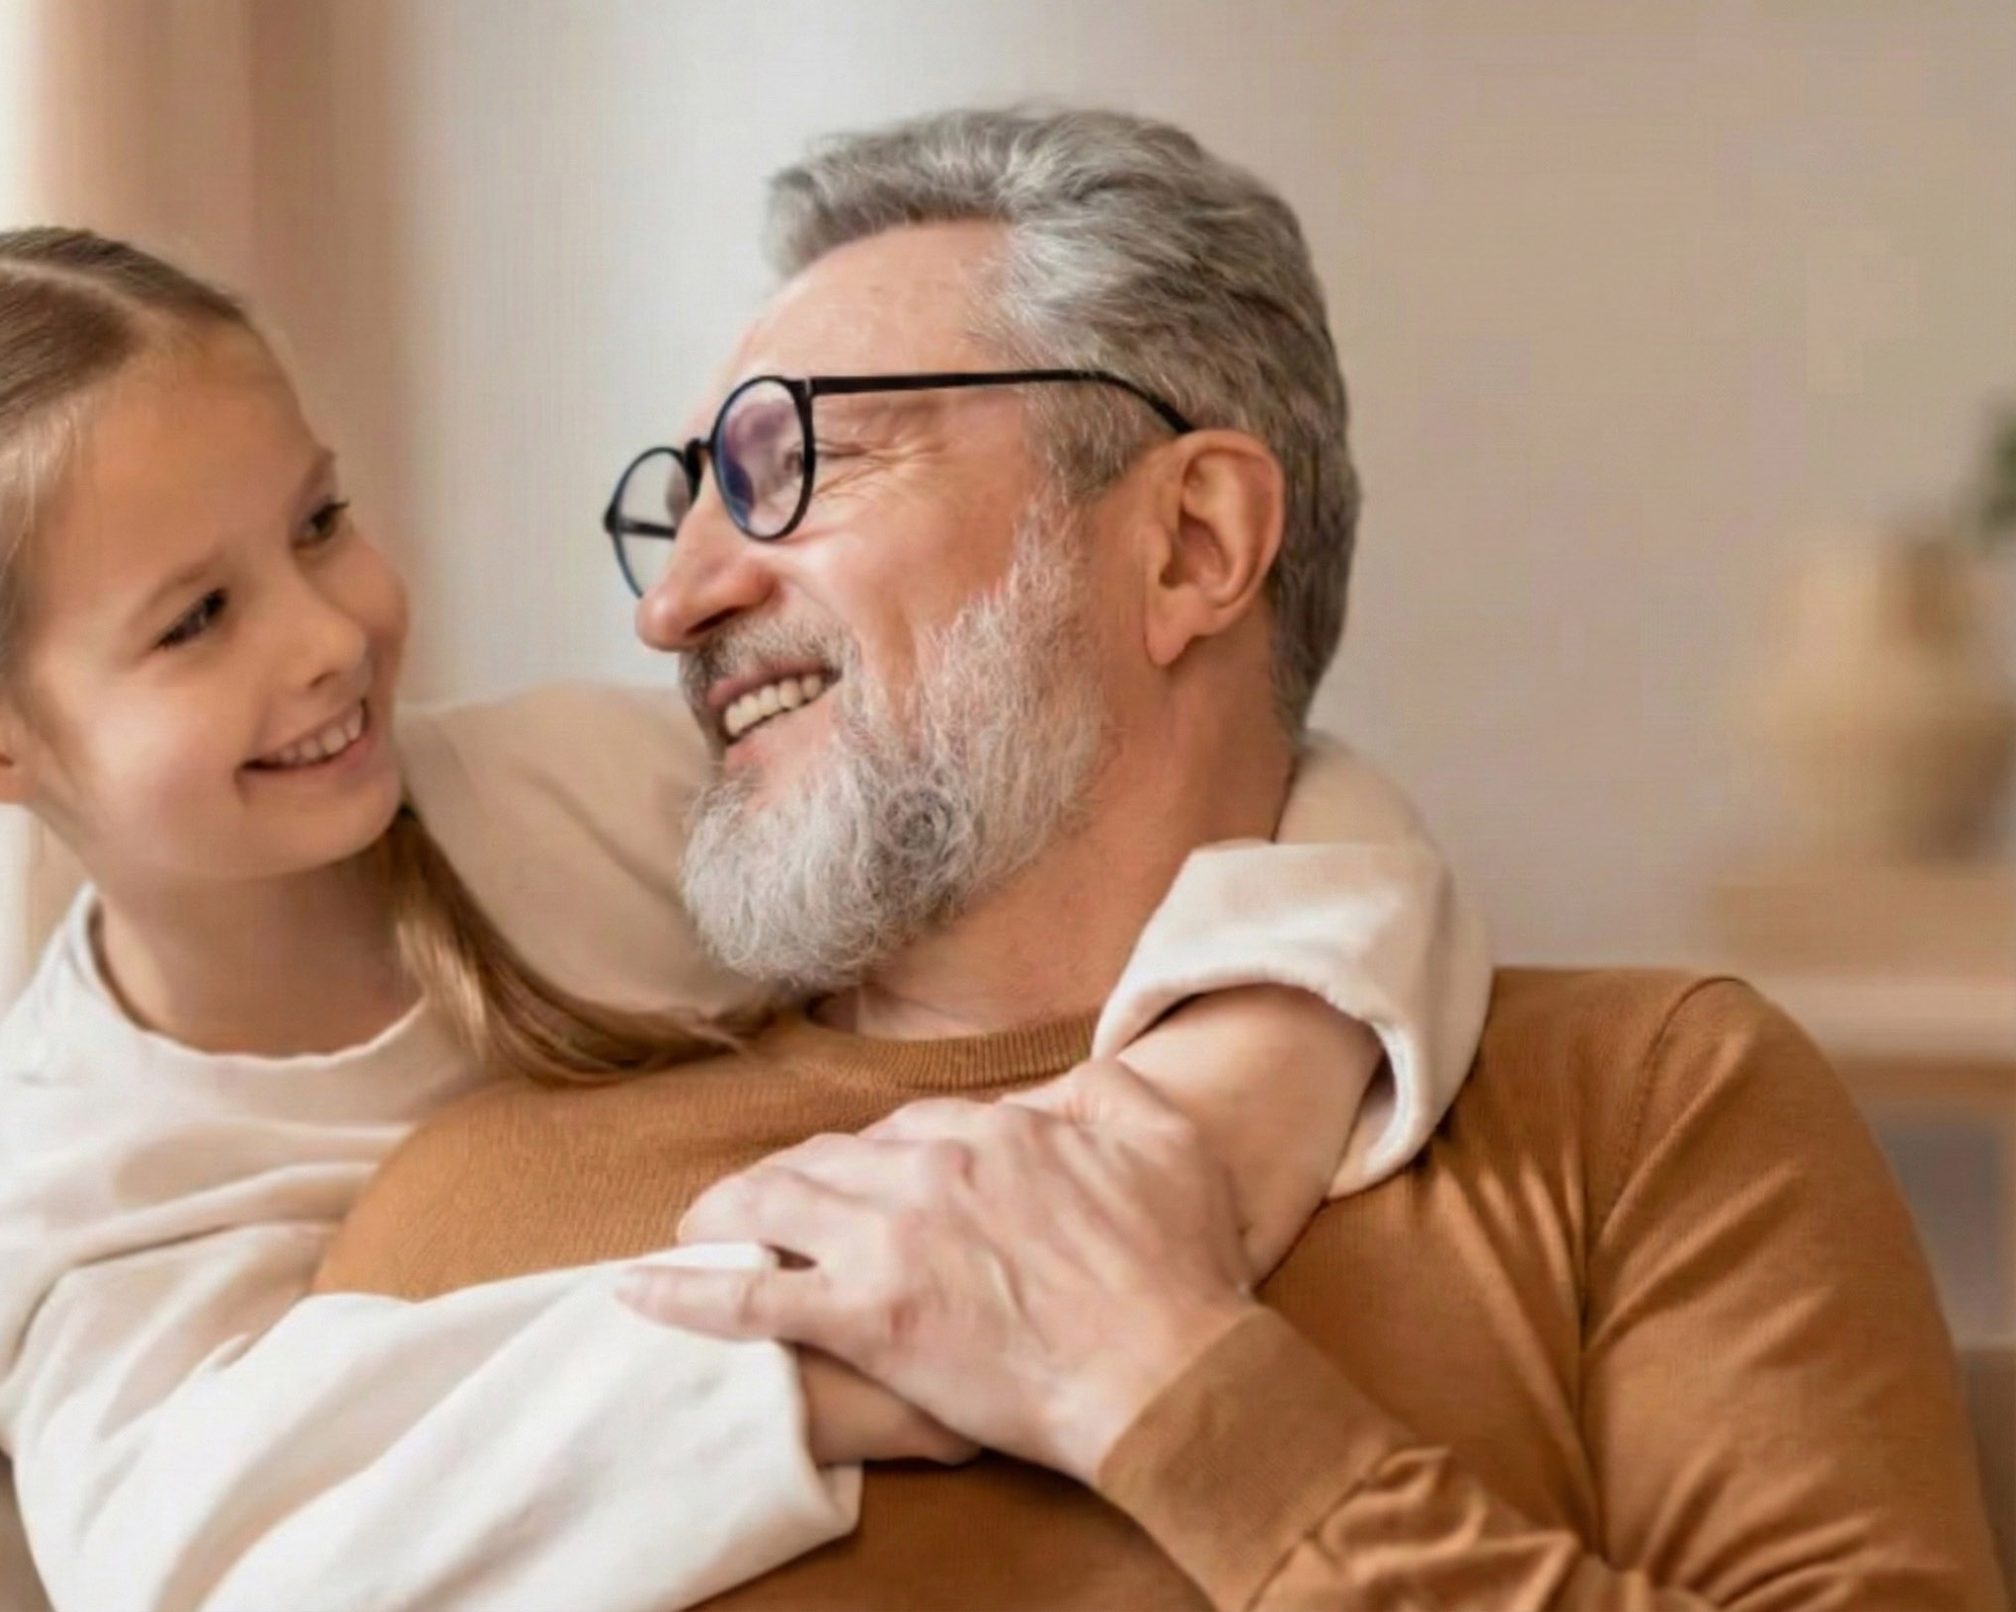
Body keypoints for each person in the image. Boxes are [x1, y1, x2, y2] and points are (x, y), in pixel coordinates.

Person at [0, 227, 1484, 1612]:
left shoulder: (596, 797)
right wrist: (859, 1343)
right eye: (196, 620)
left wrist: (1225, 1105)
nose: (327, 633)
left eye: (322, 522)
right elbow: (229, 1573)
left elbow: (1305, 800)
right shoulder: (79, 1193)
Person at [312, 108, 2008, 1608]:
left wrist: (1170, 1393)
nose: (672, 603)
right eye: (679, 504)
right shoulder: (468, 1212)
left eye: (790, 464)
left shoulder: (1643, 1113)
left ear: (1192, 542)